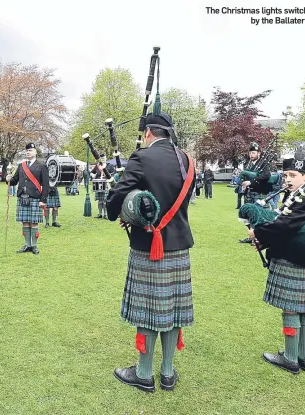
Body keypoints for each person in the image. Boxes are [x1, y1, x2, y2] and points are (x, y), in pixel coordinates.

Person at [106, 112, 194, 392]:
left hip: (149, 245)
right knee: (173, 310)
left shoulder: (142, 158)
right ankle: (167, 372)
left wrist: (118, 212)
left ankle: (144, 373)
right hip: (179, 245)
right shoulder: (188, 161)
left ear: (148, 134)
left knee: (148, 310)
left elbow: (120, 194)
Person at [248, 151, 305, 374]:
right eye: (285, 174)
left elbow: (285, 226)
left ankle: (290, 358)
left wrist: (258, 233)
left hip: (291, 257)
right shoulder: (303, 195)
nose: (287, 179)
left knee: (291, 309)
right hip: (302, 256)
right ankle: (303, 357)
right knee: (304, 309)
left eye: (293, 174)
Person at [7, 143, 49, 255]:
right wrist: (8, 179)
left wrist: (43, 200)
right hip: (22, 197)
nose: (28, 152)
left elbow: (46, 185)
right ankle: (27, 245)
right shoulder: (21, 165)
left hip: (35, 197)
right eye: (27, 151)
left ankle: (34, 246)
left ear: (35, 152)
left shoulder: (41, 166)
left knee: (34, 222)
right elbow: (15, 181)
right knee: (25, 222)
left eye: (30, 150)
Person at [239, 142, 273, 243]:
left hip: (260, 192)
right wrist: (243, 184)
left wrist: (251, 182)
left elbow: (266, 176)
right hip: (249, 193)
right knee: (247, 214)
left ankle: (261, 237)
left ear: (259, 153)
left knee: (261, 215)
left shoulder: (264, 163)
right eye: (250, 153)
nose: (251, 155)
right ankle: (252, 236)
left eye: (253, 153)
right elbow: (245, 175)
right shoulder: (248, 163)